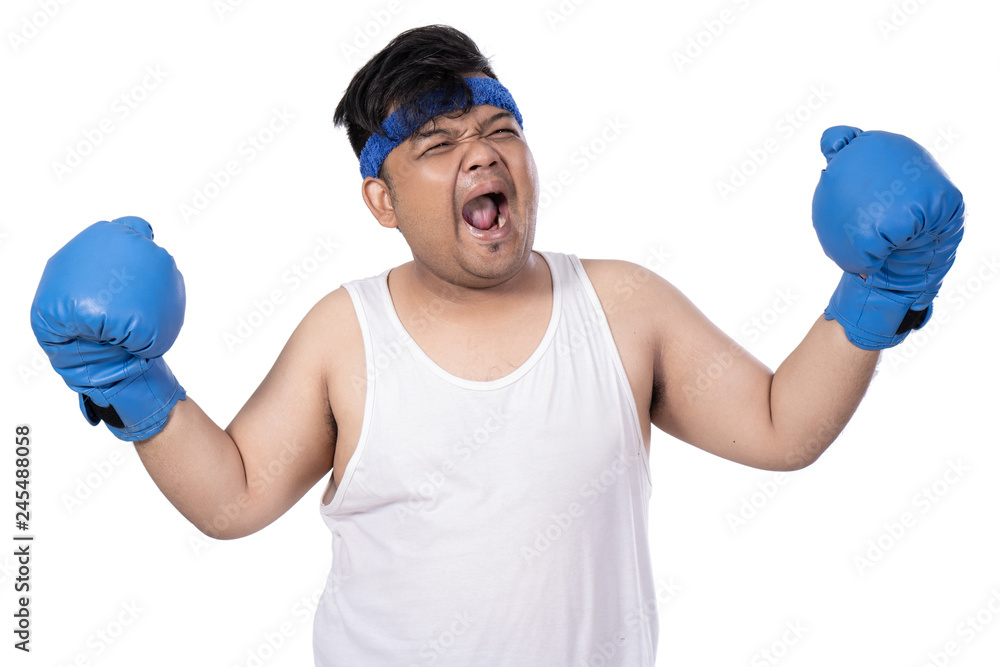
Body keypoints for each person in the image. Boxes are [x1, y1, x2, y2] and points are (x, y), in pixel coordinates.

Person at [29, 23, 964, 667]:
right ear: (381, 201)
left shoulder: (622, 305)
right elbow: (232, 496)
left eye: (498, 130)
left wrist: (875, 294)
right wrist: (136, 386)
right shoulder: (345, 334)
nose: (482, 154)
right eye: (437, 144)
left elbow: (778, 425)